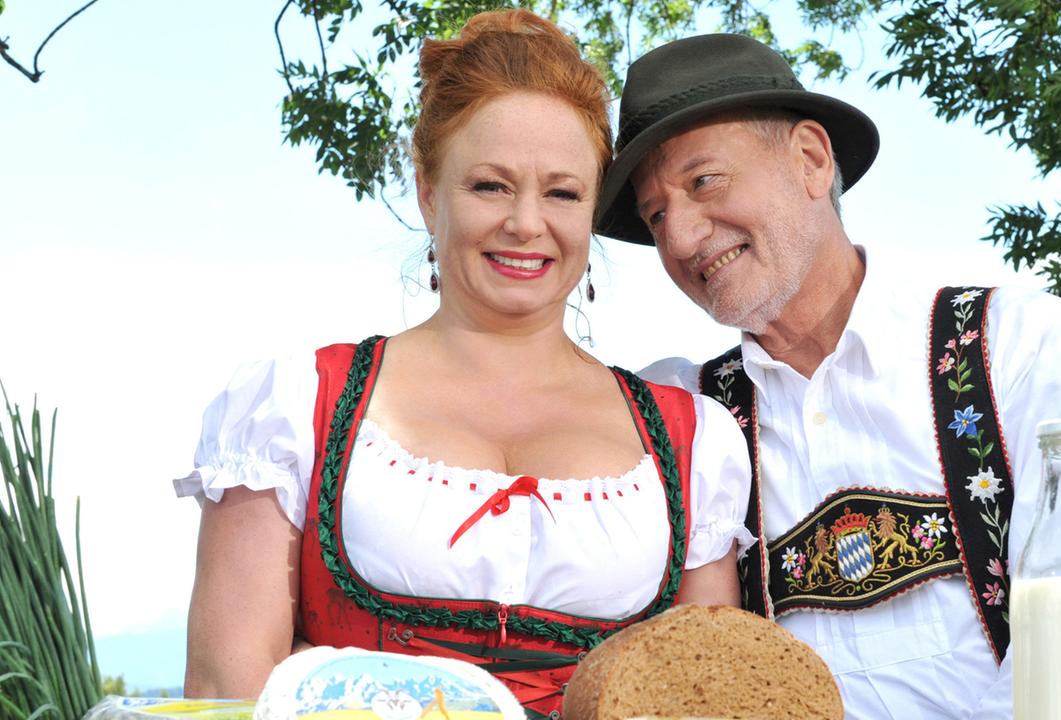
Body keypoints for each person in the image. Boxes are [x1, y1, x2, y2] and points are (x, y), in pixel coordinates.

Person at [175, 12, 752, 718]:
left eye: (563, 192)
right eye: (490, 185)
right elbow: (223, 692)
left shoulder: (691, 440)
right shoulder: (298, 406)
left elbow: (713, 696)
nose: (526, 223)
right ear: (427, 192)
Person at [594, 33, 1061, 719]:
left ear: (812, 161)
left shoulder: (1017, 348)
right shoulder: (687, 418)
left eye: (704, 181)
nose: (682, 238)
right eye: (656, 214)